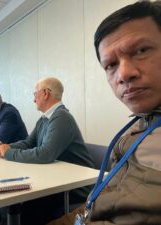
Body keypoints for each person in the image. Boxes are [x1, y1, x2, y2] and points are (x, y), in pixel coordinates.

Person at [48, 1, 161, 225]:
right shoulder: (141, 124)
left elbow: (43, 152)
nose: (124, 74)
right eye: (110, 65)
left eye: (141, 50)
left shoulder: (60, 117)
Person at [0, 77, 94, 225]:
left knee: (28, 207)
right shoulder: (44, 119)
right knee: (24, 204)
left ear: (46, 93)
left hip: (74, 188)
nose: (34, 99)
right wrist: (7, 147)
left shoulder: (61, 117)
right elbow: (29, 142)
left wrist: (8, 154)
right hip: (56, 179)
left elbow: (45, 154)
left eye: (35, 94)